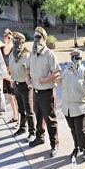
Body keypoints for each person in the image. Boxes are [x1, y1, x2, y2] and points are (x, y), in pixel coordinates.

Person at [59, 49, 85, 162]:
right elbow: (60, 81)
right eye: (74, 58)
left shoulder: (84, 72)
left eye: (78, 58)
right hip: (67, 108)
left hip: (80, 107)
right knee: (73, 129)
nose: (76, 60)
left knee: (81, 130)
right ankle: (76, 147)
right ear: (71, 59)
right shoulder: (67, 71)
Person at [26, 27, 61, 157]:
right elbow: (27, 67)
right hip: (36, 91)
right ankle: (40, 137)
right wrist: (27, 77)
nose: (36, 39)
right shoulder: (32, 53)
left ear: (44, 38)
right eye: (35, 37)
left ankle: (54, 144)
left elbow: (57, 71)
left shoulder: (49, 54)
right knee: (38, 115)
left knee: (50, 119)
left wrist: (46, 79)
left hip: (47, 92)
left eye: (39, 37)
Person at [9, 32, 36, 142]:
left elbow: (31, 71)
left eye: (17, 41)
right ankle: (22, 127)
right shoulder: (12, 54)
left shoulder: (26, 55)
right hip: (16, 84)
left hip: (26, 85)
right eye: (13, 40)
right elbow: (11, 67)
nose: (15, 43)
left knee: (29, 110)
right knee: (21, 108)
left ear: (21, 42)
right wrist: (12, 79)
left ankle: (32, 132)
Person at [1, 29, 18, 123]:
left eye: (9, 37)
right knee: (10, 97)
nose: (7, 39)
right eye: (6, 37)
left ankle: (20, 119)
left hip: (13, 74)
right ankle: (14, 115)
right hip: (5, 74)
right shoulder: (1, 48)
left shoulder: (14, 49)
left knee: (16, 98)